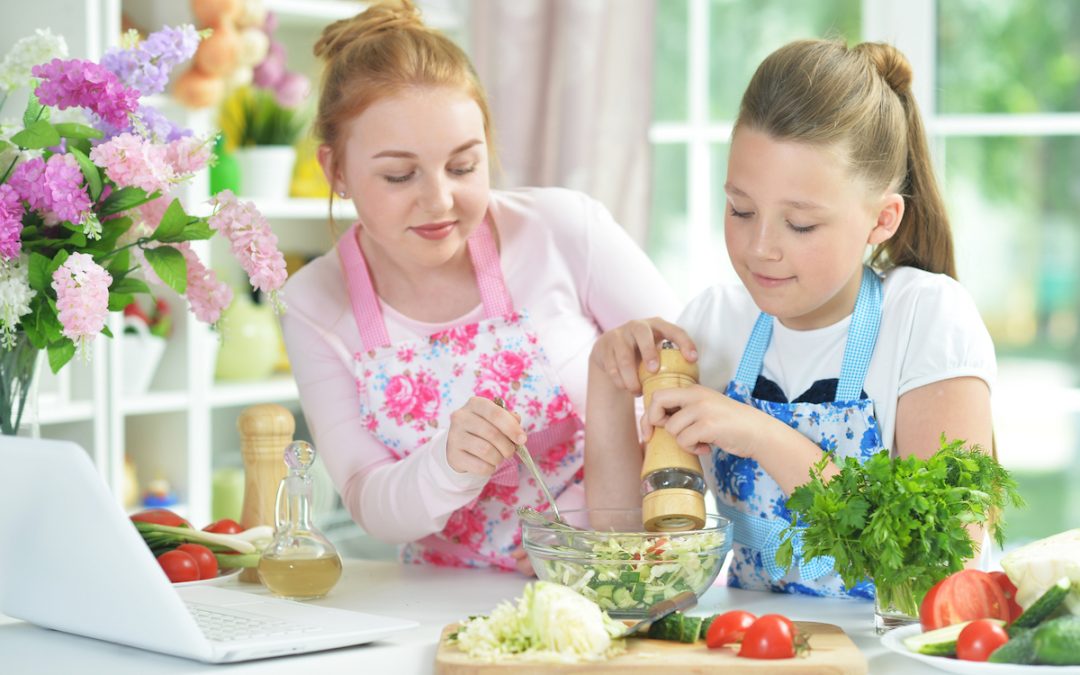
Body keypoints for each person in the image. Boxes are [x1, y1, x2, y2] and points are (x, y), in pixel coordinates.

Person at [585, 39, 996, 598]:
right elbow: (627, 547)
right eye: (741, 210)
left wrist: (759, 435)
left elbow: (945, 569)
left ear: (882, 219)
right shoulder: (713, 322)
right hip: (761, 647)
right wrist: (609, 379)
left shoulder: (927, 318)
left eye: (799, 225)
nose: (760, 248)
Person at [280, 0, 678, 573]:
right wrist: (445, 465)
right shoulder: (313, 304)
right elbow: (369, 500)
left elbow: (688, 371)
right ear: (336, 170)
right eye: (399, 175)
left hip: (612, 577)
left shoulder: (564, 230)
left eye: (463, 166)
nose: (439, 200)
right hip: (446, 600)